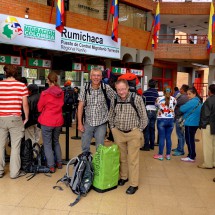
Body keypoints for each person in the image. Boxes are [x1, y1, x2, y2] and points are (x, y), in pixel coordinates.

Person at [109, 79, 148, 195]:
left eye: (123, 89)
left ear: (127, 88)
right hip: (118, 133)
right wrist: (112, 128)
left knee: (133, 159)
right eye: (119, 89)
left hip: (133, 133)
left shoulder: (136, 99)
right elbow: (110, 115)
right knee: (122, 157)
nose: (121, 92)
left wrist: (139, 130)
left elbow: (144, 117)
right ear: (116, 89)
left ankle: (134, 184)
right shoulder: (114, 99)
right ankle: (124, 177)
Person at [0, 65, 29, 179]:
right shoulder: (21, 86)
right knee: (16, 146)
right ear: (16, 73)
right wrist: (26, 117)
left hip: (1, 119)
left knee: (0, 146)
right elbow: (25, 104)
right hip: (15, 118)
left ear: (5, 73)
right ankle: (14, 173)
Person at [77, 68, 115, 152]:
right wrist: (80, 123)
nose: (96, 77)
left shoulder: (106, 88)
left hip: (102, 122)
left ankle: (98, 164)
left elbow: (115, 99)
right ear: (90, 76)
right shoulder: (85, 88)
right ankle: (86, 163)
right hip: (88, 122)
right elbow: (80, 106)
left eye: (98, 75)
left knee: (100, 148)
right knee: (85, 146)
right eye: (94, 75)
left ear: (101, 77)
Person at [37, 72, 64, 173]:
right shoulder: (61, 92)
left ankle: (51, 166)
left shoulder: (45, 93)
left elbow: (39, 108)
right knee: (56, 141)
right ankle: (59, 163)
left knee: (47, 144)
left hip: (47, 121)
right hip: (58, 121)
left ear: (49, 80)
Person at [153, 86, 177, 161]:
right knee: (168, 137)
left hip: (161, 119)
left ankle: (160, 155)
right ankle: (168, 155)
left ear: (163, 92)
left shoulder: (159, 99)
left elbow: (156, 106)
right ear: (171, 91)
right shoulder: (174, 99)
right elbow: (174, 107)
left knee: (162, 138)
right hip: (171, 120)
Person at [180, 87, 202, 162]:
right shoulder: (199, 101)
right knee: (191, 139)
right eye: (187, 94)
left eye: (190, 94)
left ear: (194, 94)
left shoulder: (192, 102)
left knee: (189, 140)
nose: (188, 96)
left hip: (190, 123)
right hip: (195, 123)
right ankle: (191, 155)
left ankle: (191, 156)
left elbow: (182, 109)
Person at [198, 84, 215, 169]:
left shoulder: (209, 101)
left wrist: (202, 125)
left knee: (208, 145)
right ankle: (213, 162)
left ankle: (208, 164)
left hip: (208, 125)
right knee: (214, 145)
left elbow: (205, 115)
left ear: (209, 91)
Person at [140, 79, 159, 151]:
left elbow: (143, 103)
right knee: (152, 128)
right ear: (155, 85)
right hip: (154, 112)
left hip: (147, 111)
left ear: (148, 84)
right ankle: (152, 145)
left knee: (146, 129)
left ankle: (146, 146)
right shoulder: (157, 94)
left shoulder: (145, 93)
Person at [172, 84, 189, 156]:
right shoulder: (182, 96)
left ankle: (181, 150)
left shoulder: (183, 97)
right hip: (179, 117)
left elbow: (174, 103)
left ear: (183, 90)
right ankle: (179, 148)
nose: (180, 90)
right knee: (179, 134)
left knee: (180, 134)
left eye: (181, 89)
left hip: (180, 118)